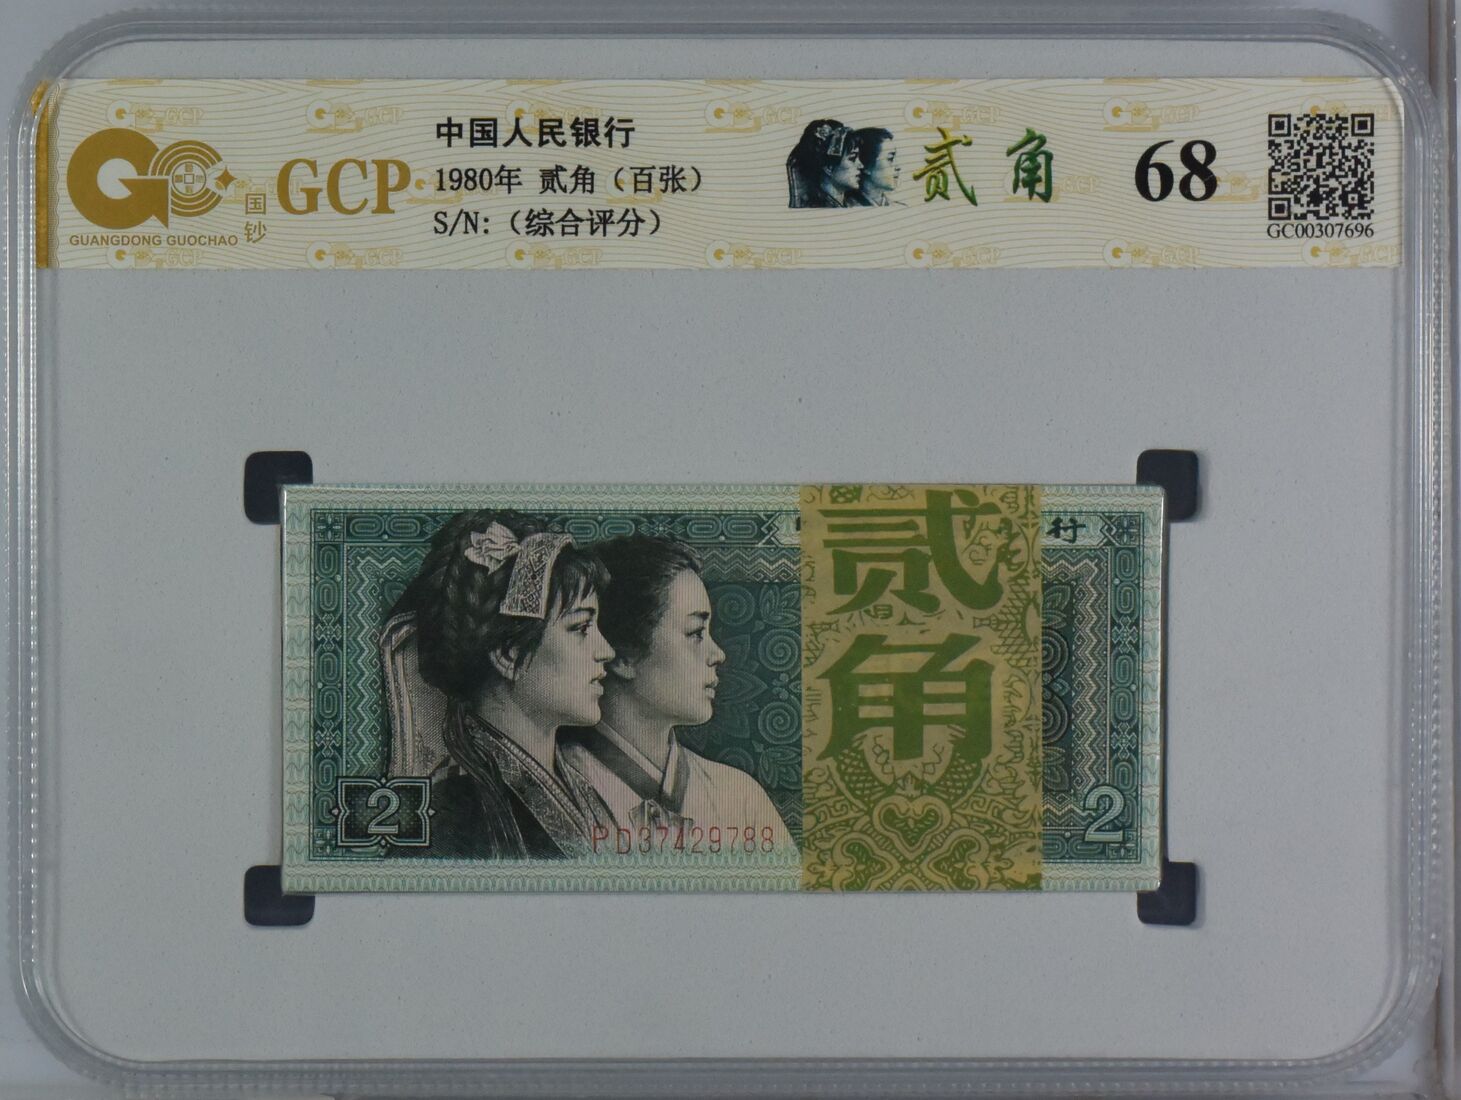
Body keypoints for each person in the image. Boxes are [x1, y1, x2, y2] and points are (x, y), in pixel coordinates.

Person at [390, 510, 616, 859]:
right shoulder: (449, 820)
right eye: (580, 628)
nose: (606, 651)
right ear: (509, 654)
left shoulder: (584, 791)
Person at [560, 535, 795, 851]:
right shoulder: (557, 791)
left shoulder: (739, 797)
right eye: (696, 633)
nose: (718, 654)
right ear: (623, 657)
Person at [786, 119, 862, 208]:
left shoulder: (853, 204)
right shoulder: (813, 207)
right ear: (829, 167)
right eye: (852, 158)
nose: (861, 165)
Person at [846, 127, 900, 205]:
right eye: (890, 158)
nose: (898, 167)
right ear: (866, 166)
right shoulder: (849, 206)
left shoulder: (897, 206)